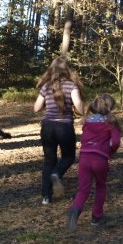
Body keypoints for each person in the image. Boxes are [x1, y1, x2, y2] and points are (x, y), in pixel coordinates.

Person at [66, 94, 121, 230]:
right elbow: (115, 142)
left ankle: (74, 211)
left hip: (84, 158)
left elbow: (84, 138)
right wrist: (110, 152)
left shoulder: (87, 121)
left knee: (83, 189)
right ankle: (97, 216)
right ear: (110, 108)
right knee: (101, 186)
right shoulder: (111, 122)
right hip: (100, 159)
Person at [33, 56, 84, 204]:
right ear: (67, 69)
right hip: (64, 127)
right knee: (68, 157)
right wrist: (82, 111)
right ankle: (56, 173)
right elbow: (79, 106)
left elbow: (36, 108)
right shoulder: (71, 86)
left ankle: (46, 196)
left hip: (47, 126)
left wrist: (47, 103)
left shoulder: (46, 86)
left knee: (49, 160)